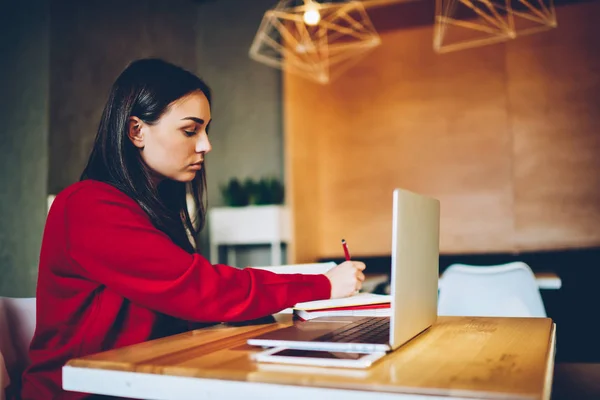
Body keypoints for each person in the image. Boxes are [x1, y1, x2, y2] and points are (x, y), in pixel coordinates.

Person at [20, 58, 366, 399]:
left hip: (139, 379)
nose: (205, 145)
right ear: (136, 130)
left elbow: (191, 302)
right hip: (83, 391)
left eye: (205, 130)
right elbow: (200, 288)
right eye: (190, 130)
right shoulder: (87, 205)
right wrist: (321, 284)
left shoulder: (155, 209)